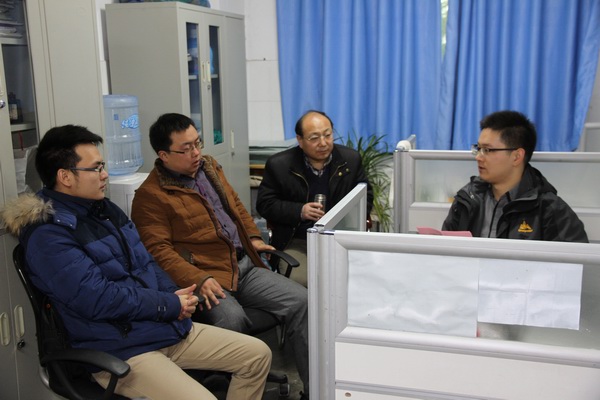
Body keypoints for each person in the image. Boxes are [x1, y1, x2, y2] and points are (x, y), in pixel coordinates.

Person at [0, 125, 271, 400]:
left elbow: (147, 263)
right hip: (120, 349)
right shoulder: (49, 235)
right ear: (65, 177)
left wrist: (175, 297)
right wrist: (167, 304)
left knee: (257, 355)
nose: (104, 174)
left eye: (103, 166)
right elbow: (98, 298)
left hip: (160, 327)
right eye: (96, 168)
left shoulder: (105, 211)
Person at [130, 113, 310, 399]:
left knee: (303, 302)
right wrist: (198, 279)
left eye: (197, 143)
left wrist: (253, 236)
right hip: (207, 276)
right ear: (163, 155)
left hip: (242, 266)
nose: (196, 152)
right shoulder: (151, 196)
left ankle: (314, 389)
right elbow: (158, 251)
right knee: (232, 321)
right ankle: (232, 389)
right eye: (186, 148)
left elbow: (235, 206)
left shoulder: (210, 167)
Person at [256, 110, 373, 286]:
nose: (323, 143)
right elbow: (265, 204)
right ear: (300, 140)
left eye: (328, 135)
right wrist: (299, 211)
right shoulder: (279, 165)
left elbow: (366, 196)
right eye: (314, 138)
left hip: (341, 237)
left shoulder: (350, 160)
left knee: (355, 278)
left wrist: (344, 218)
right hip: (298, 239)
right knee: (303, 281)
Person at [442, 110, 588, 242]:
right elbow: (445, 251)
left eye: (487, 150)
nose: (478, 157)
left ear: (517, 156)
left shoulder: (550, 210)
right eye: (478, 148)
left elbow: (574, 260)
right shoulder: (467, 199)